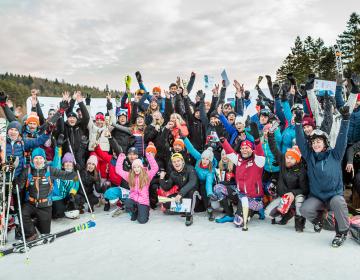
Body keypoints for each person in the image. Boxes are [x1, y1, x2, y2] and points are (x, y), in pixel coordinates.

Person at [294, 106, 351, 247]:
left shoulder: (335, 155)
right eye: (313, 142)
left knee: (339, 203)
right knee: (305, 209)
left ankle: (342, 232)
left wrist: (345, 120)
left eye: (318, 141)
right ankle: (318, 221)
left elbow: (342, 140)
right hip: (317, 196)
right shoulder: (309, 156)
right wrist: (297, 124)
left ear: (325, 143)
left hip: (334, 195)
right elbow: (301, 142)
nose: (315, 144)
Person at [14, 148, 78, 241]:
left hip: (45, 206)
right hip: (31, 203)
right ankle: (31, 233)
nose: (38, 161)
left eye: (40, 158)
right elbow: (18, 189)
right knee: (22, 213)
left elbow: (65, 175)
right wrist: (16, 183)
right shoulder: (27, 171)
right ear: (32, 159)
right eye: (36, 158)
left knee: (45, 232)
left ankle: (35, 222)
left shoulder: (50, 170)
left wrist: (75, 172)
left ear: (44, 159)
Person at [220, 122, 265, 231]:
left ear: (251, 149)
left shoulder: (258, 161)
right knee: (218, 188)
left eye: (247, 148)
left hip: (252, 197)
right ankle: (230, 214)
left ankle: (256, 209)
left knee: (238, 222)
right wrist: (222, 139)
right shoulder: (238, 159)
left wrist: (257, 141)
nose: (244, 150)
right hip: (240, 193)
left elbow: (260, 152)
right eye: (243, 148)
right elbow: (229, 151)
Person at [268, 127, 308, 232]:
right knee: (270, 213)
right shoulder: (282, 161)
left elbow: (304, 189)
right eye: (287, 157)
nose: (288, 160)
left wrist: (293, 193)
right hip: (283, 196)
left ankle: (299, 223)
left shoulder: (301, 171)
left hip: (295, 196)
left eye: (292, 158)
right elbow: (273, 148)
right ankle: (288, 213)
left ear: (297, 160)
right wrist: (271, 134)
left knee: (300, 199)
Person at [115, 151, 159, 224]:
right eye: (134, 167)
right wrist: (121, 158)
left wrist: (149, 157)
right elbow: (118, 170)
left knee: (142, 221)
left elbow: (155, 168)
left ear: (141, 167)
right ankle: (135, 211)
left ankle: (145, 210)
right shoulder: (130, 176)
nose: (136, 169)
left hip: (143, 201)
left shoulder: (147, 175)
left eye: (138, 167)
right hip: (133, 199)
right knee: (127, 202)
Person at [183, 137, 218, 220]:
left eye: (207, 159)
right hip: (196, 180)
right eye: (203, 158)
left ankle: (209, 208)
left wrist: (209, 193)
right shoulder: (199, 158)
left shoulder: (211, 170)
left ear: (210, 160)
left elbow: (208, 183)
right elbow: (191, 149)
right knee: (191, 187)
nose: (204, 161)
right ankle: (187, 208)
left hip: (205, 183)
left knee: (204, 190)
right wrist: (184, 139)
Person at [159, 153, 198, 226]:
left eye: (178, 161)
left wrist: (180, 194)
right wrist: (161, 178)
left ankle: (189, 215)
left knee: (192, 192)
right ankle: (183, 210)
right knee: (166, 202)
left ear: (182, 161)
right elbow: (166, 187)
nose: (176, 163)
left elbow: (192, 183)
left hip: (195, 196)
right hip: (182, 195)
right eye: (174, 162)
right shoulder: (173, 173)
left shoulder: (190, 168)